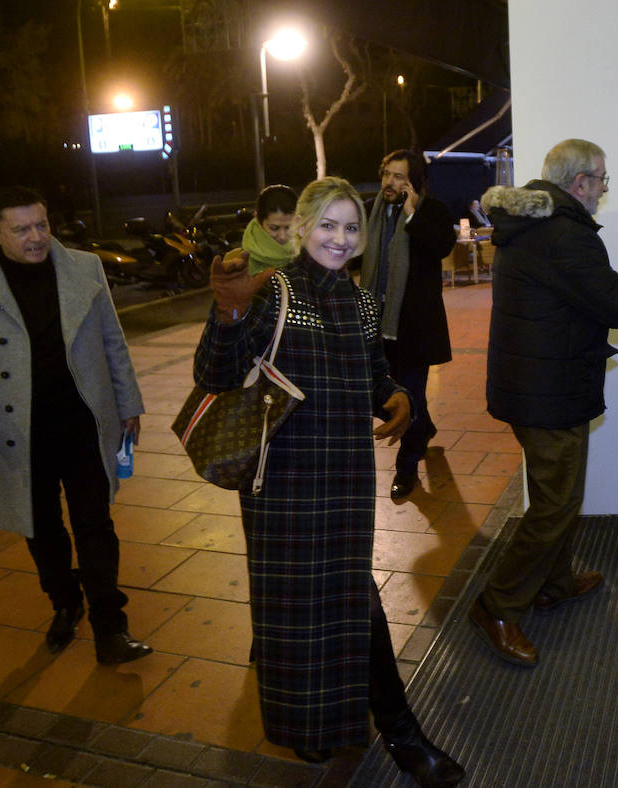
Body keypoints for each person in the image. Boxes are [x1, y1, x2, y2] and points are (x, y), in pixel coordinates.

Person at [195, 177, 463, 786]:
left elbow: (372, 373)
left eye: (350, 228)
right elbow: (215, 373)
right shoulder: (272, 292)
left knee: (338, 608)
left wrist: (394, 394)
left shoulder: (361, 301)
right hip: (283, 482)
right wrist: (229, 313)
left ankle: (335, 728)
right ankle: (397, 733)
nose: (340, 240)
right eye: (327, 226)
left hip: (343, 481)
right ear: (300, 229)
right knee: (316, 612)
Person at [470, 139, 618, 667]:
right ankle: (496, 605)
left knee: (562, 498)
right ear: (580, 183)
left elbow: (588, 301)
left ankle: (553, 583)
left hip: (539, 386)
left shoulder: (533, 226)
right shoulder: (565, 236)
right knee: (554, 505)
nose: (603, 190)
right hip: (548, 393)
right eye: (601, 180)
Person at [0, 186, 152, 664]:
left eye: (42, 225)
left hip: (82, 424)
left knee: (96, 523)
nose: (36, 237)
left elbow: (113, 342)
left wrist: (128, 403)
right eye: (22, 229)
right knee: (42, 531)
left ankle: (111, 627)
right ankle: (64, 600)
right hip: (18, 437)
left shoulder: (84, 268)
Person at [358, 150, 458, 500]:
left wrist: (413, 215)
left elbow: (443, 245)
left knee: (410, 396)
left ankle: (406, 468)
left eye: (400, 177)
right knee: (380, 397)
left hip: (412, 328)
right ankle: (424, 427)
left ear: (414, 183)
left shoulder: (432, 211)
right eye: (387, 174)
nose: (391, 182)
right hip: (375, 324)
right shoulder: (371, 211)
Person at [231, 183, 299, 273]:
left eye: (289, 227)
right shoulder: (235, 262)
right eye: (274, 228)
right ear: (258, 220)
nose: (282, 236)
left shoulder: (312, 254)